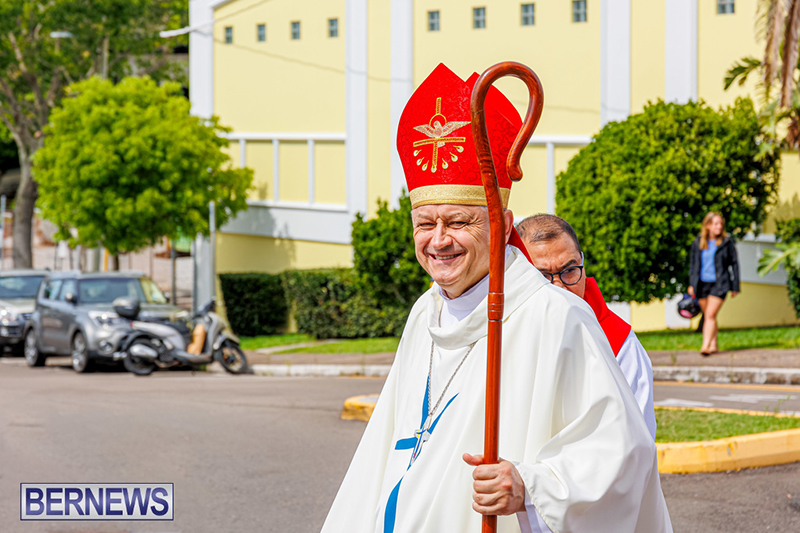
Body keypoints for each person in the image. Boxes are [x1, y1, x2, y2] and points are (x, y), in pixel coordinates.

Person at [321, 63, 672, 533]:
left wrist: (531, 487)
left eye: (460, 222)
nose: (439, 240)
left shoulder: (556, 317)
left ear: (504, 227)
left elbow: (623, 453)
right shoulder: (425, 312)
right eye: (426, 223)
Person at [516, 214, 656, 440]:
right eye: (542, 275)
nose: (559, 287)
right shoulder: (499, 332)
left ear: (582, 262)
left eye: (569, 270)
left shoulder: (620, 345)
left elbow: (633, 443)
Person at [688, 212, 740, 356]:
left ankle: (705, 346)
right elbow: (693, 265)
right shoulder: (698, 242)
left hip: (720, 283)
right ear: (708, 225)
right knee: (709, 315)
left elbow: (734, 264)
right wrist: (692, 284)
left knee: (710, 315)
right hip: (702, 284)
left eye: (721, 224)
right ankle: (714, 344)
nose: (719, 226)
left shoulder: (726, 243)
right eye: (716, 223)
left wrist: (735, 286)